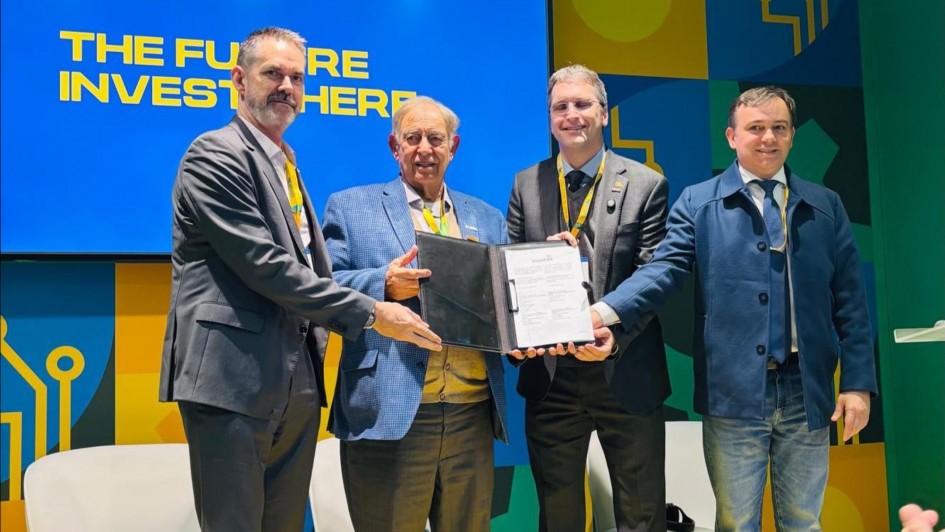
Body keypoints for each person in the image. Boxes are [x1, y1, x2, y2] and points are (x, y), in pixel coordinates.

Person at [158, 27, 441, 532]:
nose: (286, 86)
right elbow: (266, 265)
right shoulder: (215, 154)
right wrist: (373, 311)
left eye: (296, 77)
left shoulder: (285, 162)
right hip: (232, 380)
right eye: (273, 74)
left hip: (296, 381)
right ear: (239, 80)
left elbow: (309, 266)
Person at [596, 86, 877, 531]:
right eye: (756, 128)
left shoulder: (826, 205)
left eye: (779, 128)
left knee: (804, 521)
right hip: (732, 395)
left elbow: (851, 302)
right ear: (732, 137)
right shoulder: (698, 202)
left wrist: (858, 384)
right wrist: (606, 312)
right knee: (736, 523)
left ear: (792, 135)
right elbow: (663, 270)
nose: (769, 138)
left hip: (807, 391)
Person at [321, 96, 509, 531]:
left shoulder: (488, 217)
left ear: (453, 147)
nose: (425, 148)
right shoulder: (351, 206)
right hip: (390, 411)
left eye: (436, 139)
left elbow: (507, 296)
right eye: (413, 138)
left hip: (471, 414)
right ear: (395, 146)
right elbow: (322, 288)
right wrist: (382, 283)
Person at [506, 64, 671, 531]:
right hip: (551, 377)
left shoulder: (646, 184)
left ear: (604, 113)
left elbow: (654, 275)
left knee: (641, 515)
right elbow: (509, 272)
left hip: (625, 369)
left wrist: (611, 331)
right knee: (557, 516)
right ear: (550, 118)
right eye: (560, 106)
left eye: (582, 104)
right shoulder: (526, 184)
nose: (571, 114)